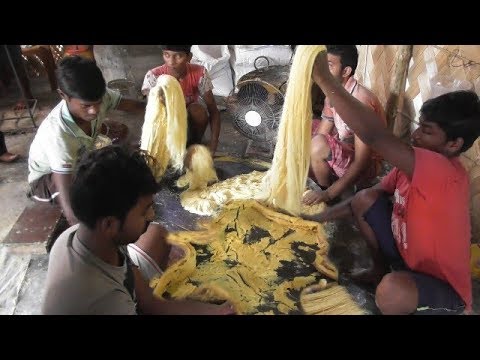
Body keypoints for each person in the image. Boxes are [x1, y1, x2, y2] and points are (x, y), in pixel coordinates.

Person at [306, 49, 480, 315]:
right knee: (366, 199)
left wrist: (325, 81)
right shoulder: (410, 168)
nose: (416, 135)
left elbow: (375, 137)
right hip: (407, 259)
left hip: (443, 288)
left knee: (392, 292)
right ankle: (379, 273)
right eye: (419, 126)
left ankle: (437, 305)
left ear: (453, 144)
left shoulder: (445, 173)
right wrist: (318, 217)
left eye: (427, 131)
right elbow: (362, 199)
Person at [42, 145, 235, 315]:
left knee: (157, 232)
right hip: (108, 303)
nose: (151, 215)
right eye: (144, 211)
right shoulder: (107, 302)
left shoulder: (84, 235)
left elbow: (150, 303)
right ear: (110, 224)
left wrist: (219, 311)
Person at [27, 56, 146, 226]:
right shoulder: (58, 133)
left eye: (98, 103)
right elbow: (65, 189)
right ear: (63, 96)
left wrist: (159, 105)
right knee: (91, 188)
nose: (95, 111)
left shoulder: (99, 96)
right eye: (86, 106)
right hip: (49, 182)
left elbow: (133, 106)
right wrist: (77, 225)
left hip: (78, 163)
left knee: (118, 162)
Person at [303, 45, 386, 205]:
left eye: (328, 66)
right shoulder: (333, 93)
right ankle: (326, 178)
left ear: (346, 71)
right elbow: (322, 130)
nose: (321, 71)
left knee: (318, 146)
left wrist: (328, 194)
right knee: (306, 130)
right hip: (347, 147)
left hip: (368, 165)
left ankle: (328, 195)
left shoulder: (360, 102)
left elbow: (362, 161)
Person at [141, 45, 221, 154]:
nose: (171, 62)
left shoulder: (199, 73)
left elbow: (213, 110)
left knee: (198, 111)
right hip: (167, 118)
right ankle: (169, 147)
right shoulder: (154, 76)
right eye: (167, 55)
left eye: (178, 56)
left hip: (188, 115)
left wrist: (213, 144)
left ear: (189, 57)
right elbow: (152, 115)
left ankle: (194, 143)